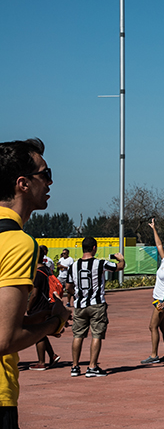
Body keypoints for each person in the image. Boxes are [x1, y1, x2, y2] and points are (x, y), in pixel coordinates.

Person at [0, 138, 70, 428]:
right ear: (23, 184)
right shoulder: (17, 242)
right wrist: (53, 323)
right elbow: (5, 341)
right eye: (45, 174)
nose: (51, 182)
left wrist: (28, 319)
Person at [66, 236, 124, 377]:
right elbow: (119, 267)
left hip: (79, 305)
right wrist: (120, 258)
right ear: (94, 248)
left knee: (77, 335)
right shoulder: (100, 263)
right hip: (96, 304)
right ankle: (92, 366)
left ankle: (75, 366)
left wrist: (77, 295)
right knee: (96, 334)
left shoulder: (73, 265)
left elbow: (68, 286)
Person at [143, 218, 164, 364]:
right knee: (163, 328)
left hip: (162, 300)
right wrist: (154, 228)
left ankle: (154, 355)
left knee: (152, 326)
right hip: (159, 298)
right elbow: (159, 245)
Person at [27, 247, 59, 371]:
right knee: (42, 332)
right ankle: (52, 355)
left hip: (38, 307)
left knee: (38, 334)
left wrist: (29, 307)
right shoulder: (46, 270)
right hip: (46, 304)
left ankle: (41, 362)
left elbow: (34, 294)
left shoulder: (38, 273)